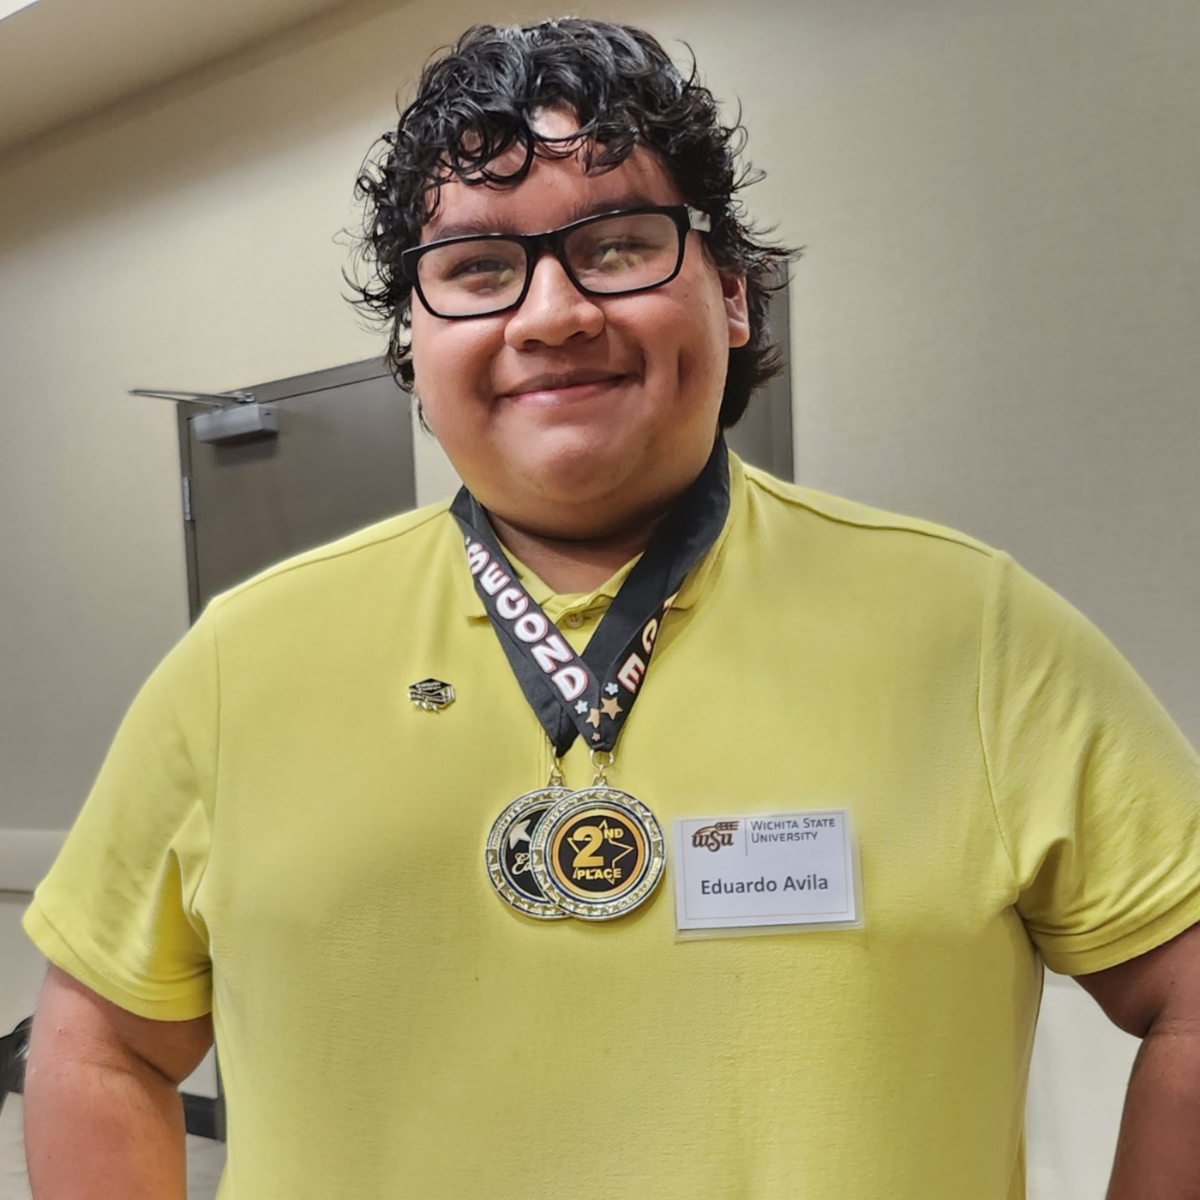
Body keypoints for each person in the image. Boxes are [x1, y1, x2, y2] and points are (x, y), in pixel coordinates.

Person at [20, 18, 1200, 1200]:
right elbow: (99, 1047)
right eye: (478, 268)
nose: (551, 313)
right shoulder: (244, 660)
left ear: (731, 296)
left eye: (620, 245)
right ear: (413, 339)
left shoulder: (974, 632)